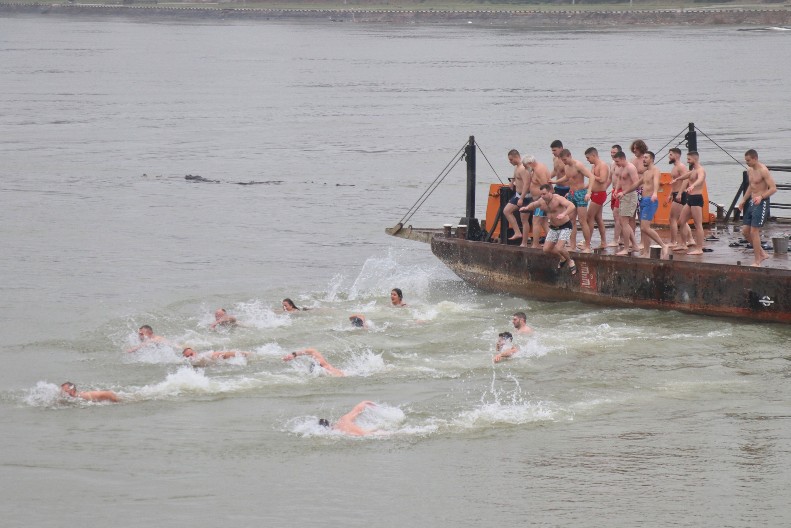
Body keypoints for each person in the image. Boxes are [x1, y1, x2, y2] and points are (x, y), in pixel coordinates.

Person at [520, 184, 577, 275]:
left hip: (565, 226)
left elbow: (572, 206)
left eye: (544, 194)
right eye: (541, 194)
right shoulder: (542, 201)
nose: (542, 196)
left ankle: (570, 261)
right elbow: (534, 205)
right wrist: (526, 208)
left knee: (559, 247)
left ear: (550, 192)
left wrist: (564, 214)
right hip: (554, 228)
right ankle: (562, 258)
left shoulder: (558, 198)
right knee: (546, 249)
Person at [738, 149, 777, 267]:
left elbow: (773, 188)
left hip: (761, 202)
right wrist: (743, 200)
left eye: (748, 160)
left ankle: (757, 260)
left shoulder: (763, 171)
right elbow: (751, 186)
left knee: (754, 231)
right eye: (746, 160)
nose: (747, 163)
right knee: (745, 231)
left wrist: (761, 197)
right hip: (751, 201)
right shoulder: (750, 170)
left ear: (755, 158)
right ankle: (762, 253)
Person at [555, 149, 594, 251]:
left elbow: (591, 177)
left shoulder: (578, 165)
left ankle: (587, 246)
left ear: (570, 156)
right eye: (563, 160)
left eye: (565, 159)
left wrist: (589, 192)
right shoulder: (566, 166)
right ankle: (572, 245)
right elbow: (567, 177)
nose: (564, 162)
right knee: (571, 220)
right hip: (571, 194)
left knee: (582, 221)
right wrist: (554, 182)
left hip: (581, 194)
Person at [673, 151, 707, 255]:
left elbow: (700, 179)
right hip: (689, 199)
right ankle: (683, 244)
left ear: (695, 159)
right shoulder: (693, 170)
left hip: (696, 198)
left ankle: (699, 248)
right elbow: (687, 175)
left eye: (689, 159)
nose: (687, 161)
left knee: (698, 224)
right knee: (681, 222)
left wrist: (692, 186)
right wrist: (677, 178)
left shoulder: (700, 170)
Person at [636, 152, 669, 257]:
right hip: (643, 200)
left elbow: (656, 182)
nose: (643, 160)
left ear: (652, 159)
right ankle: (646, 252)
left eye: (646, 158)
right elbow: (636, 184)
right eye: (643, 158)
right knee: (643, 228)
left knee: (645, 227)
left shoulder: (655, 171)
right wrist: (624, 192)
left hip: (651, 200)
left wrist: (655, 193)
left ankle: (663, 245)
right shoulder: (646, 173)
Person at [611, 152, 641, 256]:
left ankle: (627, 248)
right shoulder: (620, 167)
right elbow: (619, 178)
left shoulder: (630, 167)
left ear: (623, 159)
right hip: (622, 195)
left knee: (624, 222)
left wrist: (624, 192)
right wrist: (616, 190)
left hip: (630, 195)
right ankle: (635, 245)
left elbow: (637, 183)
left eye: (617, 161)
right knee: (623, 222)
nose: (616, 163)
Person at [666, 147, 693, 251]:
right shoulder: (675, 167)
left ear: (677, 155)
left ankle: (673, 241)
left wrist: (680, 193)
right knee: (683, 220)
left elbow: (686, 180)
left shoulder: (681, 167)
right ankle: (690, 239)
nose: (669, 156)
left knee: (673, 218)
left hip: (680, 194)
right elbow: (675, 183)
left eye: (671, 154)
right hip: (676, 193)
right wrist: (670, 194)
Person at [522, 155, 551, 248]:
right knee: (544, 222)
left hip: (541, 199)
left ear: (530, 163)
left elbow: (545, 186)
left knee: (536, 221)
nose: (526, 169)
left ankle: (535, 244)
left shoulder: (539, 170)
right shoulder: (536, 168)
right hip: (539, 198)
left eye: (526, 166)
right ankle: (553, 242)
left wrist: (543, 199)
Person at [584, 147, 610, 249]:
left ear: (594, 155)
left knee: (589, 217)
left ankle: (588, 242)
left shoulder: (602, 165)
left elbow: (603, 180)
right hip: (594, 194)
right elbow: (592, 181)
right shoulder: (594, 166)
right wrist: (584, 188)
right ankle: (603, 242)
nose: (587, 160)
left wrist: (591, 176)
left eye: (588, 158)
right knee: (598, 218)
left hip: (599, 194)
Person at [503, 149, 531, 243]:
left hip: (525, 197)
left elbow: (527, 184)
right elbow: (515, 175)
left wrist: (522, 198)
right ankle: (517, 232)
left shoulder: (523, 168)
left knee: (524, 220)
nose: (510, 162)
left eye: (511, 159)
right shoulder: (517, 167)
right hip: (517, 195)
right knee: (506, 211)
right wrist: (511, 182)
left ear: (516, 157)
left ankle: (524, 242)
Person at [608, 144, 624, 247]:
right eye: (611, 153)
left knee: (617, 215)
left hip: (621, 190)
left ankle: (616, 239)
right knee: (616, 217)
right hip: (614, 190)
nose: (612, 155)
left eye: (614, 153)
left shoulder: (622, 165)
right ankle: (621, 238)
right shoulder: (612, 163)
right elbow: (610, 178)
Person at [182, 347, 249, 366]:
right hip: (217, 361)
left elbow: (216, 354)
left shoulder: (203, 356)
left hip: (219, 355)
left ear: (195, 352)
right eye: (187, 357)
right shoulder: (192, 363)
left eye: (191, 354)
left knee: (243, 354)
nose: (190, 357)